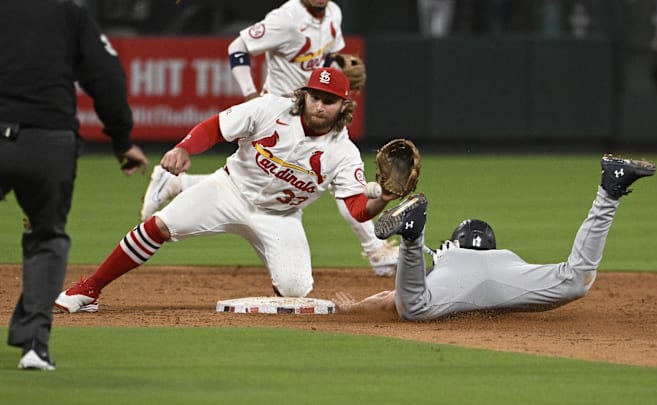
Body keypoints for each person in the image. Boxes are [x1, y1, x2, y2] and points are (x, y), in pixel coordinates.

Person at [55, 67, 398, 314]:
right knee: (159, 225)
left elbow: (355, 209)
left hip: (280, 217)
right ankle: (90, 289)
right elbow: (215, 127)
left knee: (295, 292)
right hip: (228, 190)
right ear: (304, 95)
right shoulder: (269, 109)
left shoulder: (344, 152)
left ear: (344, 106)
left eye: (329, 100)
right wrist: (184, 148)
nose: (320, 106)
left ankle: (278, 278)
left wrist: (381, 199)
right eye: (315, 97)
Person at [139, 0, 399, 277]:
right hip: (280, 113)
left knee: (319, 176)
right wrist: (250, 93)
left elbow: (327, 59)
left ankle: (177, 182)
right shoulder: (286, 19)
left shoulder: (334, 12)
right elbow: (237, 47)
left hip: (315, 117)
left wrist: (339, 69)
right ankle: (375, 250)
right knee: (302, 179)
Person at [0, 0, 149, 370]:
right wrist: (121, 139)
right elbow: (107, 76)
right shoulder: (68, 12)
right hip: (47, 141)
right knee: (45, 236)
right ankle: (35, 345)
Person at [333, 154, 656, 321]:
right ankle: (609, 190)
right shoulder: (506, 257)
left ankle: (413, 237)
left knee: (413, 308)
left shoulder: (449, 255)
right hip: (509, 276)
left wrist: (356, 309)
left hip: (456, 277)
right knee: (576, 279)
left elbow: (390, 299)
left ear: (455, 241)